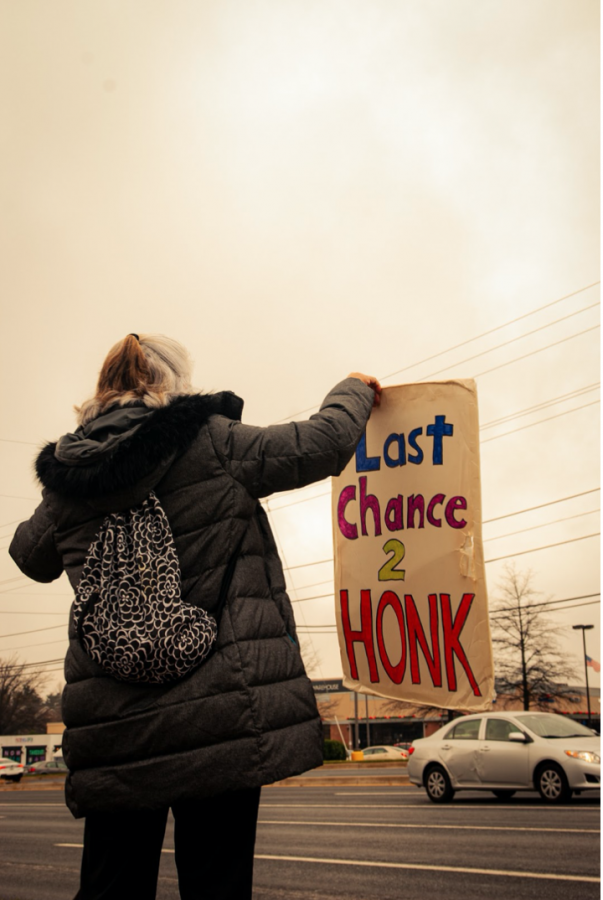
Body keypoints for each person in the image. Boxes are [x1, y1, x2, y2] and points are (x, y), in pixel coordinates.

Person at [9, 333, 381, 900]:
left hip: (116, 728)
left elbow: (28, 555)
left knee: (112, 886)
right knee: (216, 884)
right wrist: (354, 389)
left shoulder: (68, 475)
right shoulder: (210, 441)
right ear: (172, 383)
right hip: (220, 717)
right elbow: (324, 444)